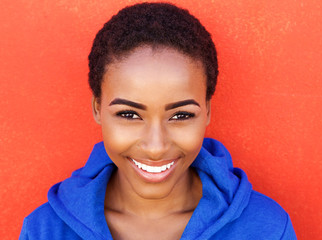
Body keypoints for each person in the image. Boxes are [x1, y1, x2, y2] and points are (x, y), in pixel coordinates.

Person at [19, 2, 297, 240]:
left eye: (181, 115)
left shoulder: (266, 228)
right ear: (97, 108)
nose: (155, 146)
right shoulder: (46, 230)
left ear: (208, 112)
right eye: (129, 115)